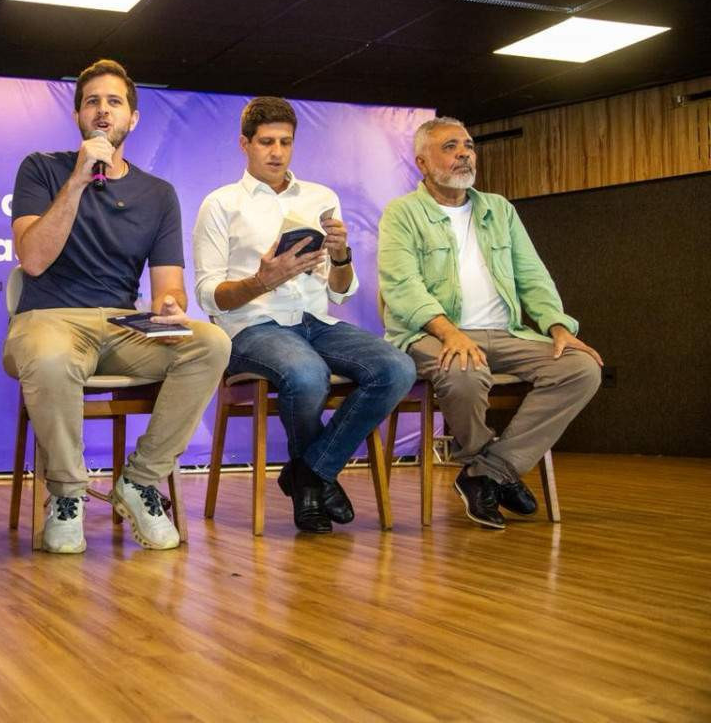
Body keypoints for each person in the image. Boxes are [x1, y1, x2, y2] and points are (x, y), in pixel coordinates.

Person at [3, 59, 230, 554]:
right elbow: (34, 260)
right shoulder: (42, 169)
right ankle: (67, 495)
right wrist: (79, 180)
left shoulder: (158, 193)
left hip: (124, 325)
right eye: (92, 102)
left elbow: (169, 287)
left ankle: (141, 481)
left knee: (210, 342)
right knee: (49, 357)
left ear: (133, 118)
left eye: (114, 102)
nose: (103, 111)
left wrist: (170, 310)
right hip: (49, 318)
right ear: (78, 116)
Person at [192, 97, 416, 533]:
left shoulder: (321, 197)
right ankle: (314, 481)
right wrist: (263, 279)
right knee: (307, 373)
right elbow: (208, 296)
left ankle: (310, 473)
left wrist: (341, 254)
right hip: (250, 327)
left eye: (286, 142)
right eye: (266, 142)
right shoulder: (220, 204)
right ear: (245, 144)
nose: (277, 152)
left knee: (397, 366)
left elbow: (342, 289)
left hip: (314, 322)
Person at [378, 117, 603, 529]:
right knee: (463, 369)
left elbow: (532, 275)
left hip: (506, 332)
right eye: (449, 147)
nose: (464, 152)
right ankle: (493, 471)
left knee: (580, 368)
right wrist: (451, 333)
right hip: (432, 333)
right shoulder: (402, 213)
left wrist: (558, 327)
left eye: (468, 145)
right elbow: (402, 286)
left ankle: (490, 471)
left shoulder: (499, 209)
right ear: (423, 163)